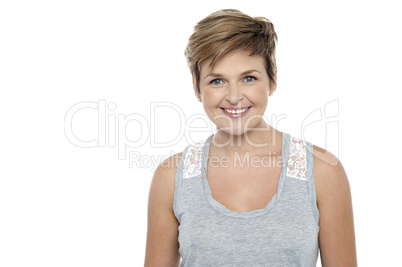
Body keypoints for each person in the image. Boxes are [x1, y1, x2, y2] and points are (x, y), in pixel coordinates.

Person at [144, 9, 357, 267]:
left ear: (273, 79)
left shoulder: (322, 171)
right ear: (196, 87)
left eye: (248, 78)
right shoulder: (172, 177)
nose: (234, 97)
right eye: (217, 81)